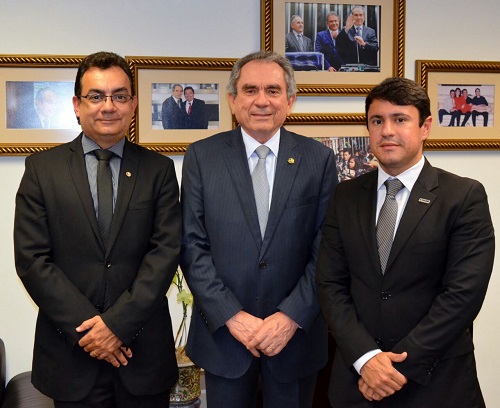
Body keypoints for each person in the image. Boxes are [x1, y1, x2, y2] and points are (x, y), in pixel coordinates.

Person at [14, 51, 181, 407]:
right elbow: (32, 260)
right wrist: (92, 331)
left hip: (142, 356)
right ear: (77, 105)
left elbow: (164, 254)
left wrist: (117, 326)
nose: (108, 106)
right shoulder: (42, 170)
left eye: (119, 96)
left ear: (133, 105)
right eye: (96, 96)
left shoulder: (159, 170)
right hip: (71, 356)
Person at [316, 76, 494, 407]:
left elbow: (462, 296)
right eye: (377, 121)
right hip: (357, 382)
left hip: (437, 383)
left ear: (425, 127)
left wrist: (394, 369)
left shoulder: (463, 196)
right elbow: (330, 285)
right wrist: (367, 359)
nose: (387, 131)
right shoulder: (345, 196)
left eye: (400, 119)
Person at [180, 50, 336, 408]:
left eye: (273, 90)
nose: (261, 101)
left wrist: (290, 317)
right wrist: (232, 316)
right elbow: (191, 245)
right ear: (232, 100)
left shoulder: (318, 160)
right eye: (250, 90)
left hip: (294, 341)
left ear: (290, 100)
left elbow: (327, 249)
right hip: (225, 340)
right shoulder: (202, 157)